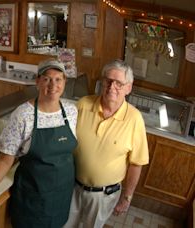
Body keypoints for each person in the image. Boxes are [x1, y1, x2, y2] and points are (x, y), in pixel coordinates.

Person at [0, 59, 78, 228]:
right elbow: (5, 159)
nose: (53, 85)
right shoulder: (23, 115)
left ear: (65, 82)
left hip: (62, 195)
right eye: (47, 79)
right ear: (37, 81)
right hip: (33, 198)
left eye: (58, 79)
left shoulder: (71, 112)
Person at [64, 59, 149, 228]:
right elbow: (64, 141)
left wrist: (127, 197)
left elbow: (136, 164)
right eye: (108, 81)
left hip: (102, 196)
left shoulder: (134, 119)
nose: (112, 87)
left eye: (119, 83)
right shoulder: (83, 104)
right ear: (102, 82)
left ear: (128, 88)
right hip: (71, 187)